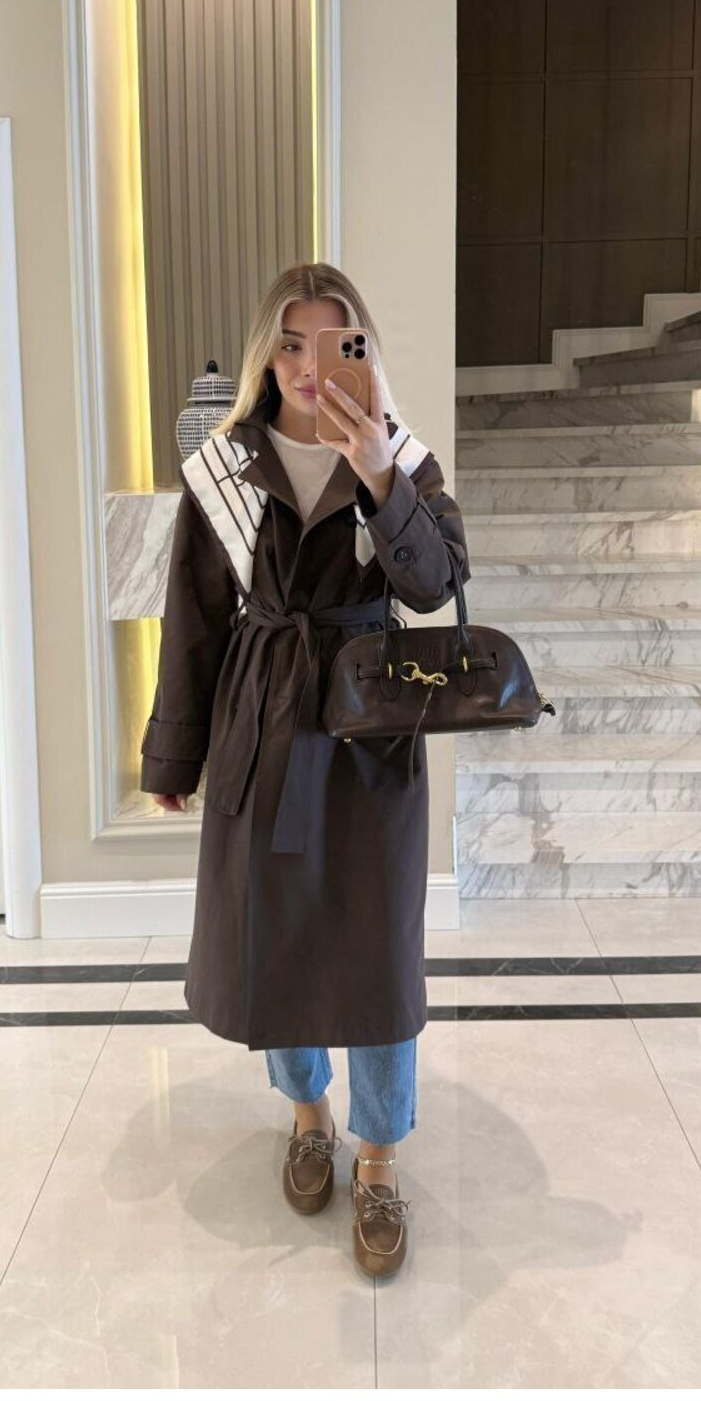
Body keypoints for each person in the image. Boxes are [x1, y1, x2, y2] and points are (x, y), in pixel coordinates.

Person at [140, 261, 470, 1278]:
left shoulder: (401, 456)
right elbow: (194, 618)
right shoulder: (224, 467)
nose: (309, 364)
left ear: (364, 350)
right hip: (265, 718)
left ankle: (379, 1157)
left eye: (335, 342)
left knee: (376, 949)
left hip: (370, 732)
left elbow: (435, 585)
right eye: (290, 342)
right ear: (265, 353)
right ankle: (307, 1115)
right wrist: (175, 751)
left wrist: (379, 479)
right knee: (273, 934)